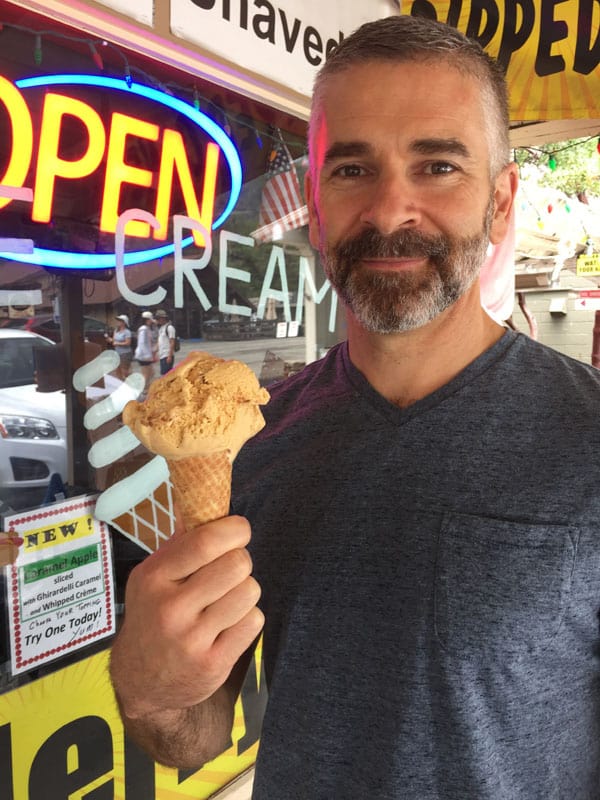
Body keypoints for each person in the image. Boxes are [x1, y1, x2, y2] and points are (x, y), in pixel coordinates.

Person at [109, 15, 600, 799]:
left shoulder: (587, 441)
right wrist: (148, 686)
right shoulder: (254, 438)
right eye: (350, 170)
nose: (389, 209)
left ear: (501, 203)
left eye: (437, 165)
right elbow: (194, 739)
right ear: (313, 204)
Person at [133, 311, 156, 394]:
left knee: (151, 373)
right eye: (150, 320)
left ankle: (146, 388)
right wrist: (147, 355)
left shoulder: (146, 328)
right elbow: (142, 343)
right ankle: (143, 389)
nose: (151, 322)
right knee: (147, 374)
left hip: (145, 355)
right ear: (147, 320)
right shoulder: (144, 329)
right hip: (144, 355)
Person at [106, 314, 133, 380]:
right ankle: (121, 384)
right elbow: (114, 341)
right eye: (118, 320)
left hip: (125, 353)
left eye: (120, 321)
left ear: (124, 323)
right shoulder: (116, 331)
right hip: (117, 353)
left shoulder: (127, 332)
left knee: (125, 371)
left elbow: (128, 343)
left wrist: (117, 343)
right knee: (117, 370)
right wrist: (110, 340)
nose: (118, 322)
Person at [155, 309, 176, 375]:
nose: (157, 320)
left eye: (159, 318)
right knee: (164, 374)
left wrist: (169, 356)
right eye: (157, 318)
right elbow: (160, 342)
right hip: (162, 355)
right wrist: (156, 352)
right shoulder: (161, 328)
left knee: (166, 375)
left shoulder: (169, 327)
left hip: (167, 355)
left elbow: (172, 342)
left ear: (163, 318)